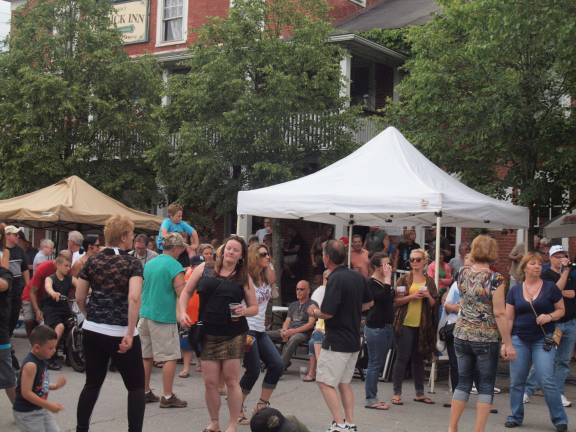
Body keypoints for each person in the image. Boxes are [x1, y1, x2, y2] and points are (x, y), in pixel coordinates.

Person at [179, 235, 258, 432]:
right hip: (207, 333)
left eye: (235, 250)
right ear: (222, 250)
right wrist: (181, 312)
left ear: (241, 256)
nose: (230, 252)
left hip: (233, 334)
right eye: (228, 248)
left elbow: (254, 307)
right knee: (210, 382)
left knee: (231, 381)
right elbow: (186, 292)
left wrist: (244, 311)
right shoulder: (204, 269)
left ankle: (232, 424)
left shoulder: (243, 276)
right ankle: (214, 422)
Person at [75, 215, 145, 432]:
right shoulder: (132, 262)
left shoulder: (92, 260)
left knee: (92, 383)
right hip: (121, 330)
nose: (132, 238)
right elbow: (134, 298)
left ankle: (81, 428)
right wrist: (131, 331)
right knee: (135, 388)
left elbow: (79, 296)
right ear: (124, 236)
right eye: (131, 234)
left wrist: (90, 316)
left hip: (93, 329)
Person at [449, 235, 516, 432]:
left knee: (463, 382)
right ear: (493, 252)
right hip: (486, 337)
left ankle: (452, 428)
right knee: (486, 385)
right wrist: (508, 343)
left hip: (461, 333)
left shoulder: (461, 272)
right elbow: (499, 313)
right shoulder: (496, 279)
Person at [307, 240, 373, 432]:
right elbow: (369, 304)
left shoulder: (335, 279)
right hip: (354, 339)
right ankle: (350, 423)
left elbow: (327, 313)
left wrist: (313, 311)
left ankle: (339, 423)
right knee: (344, 383)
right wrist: (351, 309)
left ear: (326, 258)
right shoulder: (358, 276)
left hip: (337, 340)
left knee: (325, 382)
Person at [504, 251, 567, 431]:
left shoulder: (550, 287)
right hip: (519, 338)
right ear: (524, 268)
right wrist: (506, 343)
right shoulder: (514, 290)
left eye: (539, 263)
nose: (537, 266)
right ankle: (515, 416)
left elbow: (561, 310)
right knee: (517, 380)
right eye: (532, 263)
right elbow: (508, 319)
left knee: (546, 379)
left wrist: (549, 316)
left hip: (543, 339)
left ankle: (559, 419)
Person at [139, 233, 187, 408]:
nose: (182, 250)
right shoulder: (175, 266)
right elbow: (182, 294)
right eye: (181, 247)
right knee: (170, 356)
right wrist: (183, 313)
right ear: (175, 248)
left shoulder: (150, 263)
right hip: (163, 317)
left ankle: (144, 392)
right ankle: (167, 396)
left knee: (146, 356)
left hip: (144, 314)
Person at [524, 245, 576, 407]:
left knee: (563, 362)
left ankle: (558, 393)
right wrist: (565, 274)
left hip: (571, 322)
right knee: (545, 359)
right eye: (558, 256)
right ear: (551, 258)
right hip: (554, 325)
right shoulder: (547, 274)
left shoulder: (572, 273)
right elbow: (553, 290)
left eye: (564, 255)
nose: (561, 258)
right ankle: (527, 390)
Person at [238, 244, 283, 424]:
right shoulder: (245, 277)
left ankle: (261, 405)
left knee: (277, 364)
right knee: (254, 369)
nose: (268, 257)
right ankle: (238, 406)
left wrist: (271, 277)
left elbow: (274, 294)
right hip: (247, 328)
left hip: (260, 330)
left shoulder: (265, 277)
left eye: (268, 254)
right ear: (254, 257)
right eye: (264, 254)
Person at [391, 248, 438, 406]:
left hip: (422, 325)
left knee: (418, 359)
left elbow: (434, 304)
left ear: (425, 261)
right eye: (412, 260)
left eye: (418, 259)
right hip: (405, 323)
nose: (415, 262)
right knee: (402, 358)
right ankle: (397, 393)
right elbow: (397, 301)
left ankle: (419, 393)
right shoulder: (404, 279)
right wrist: (412, 296)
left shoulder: (429, 281)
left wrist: (428, 296)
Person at [12, 325, 66, 432]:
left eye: (55, 347)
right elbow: (26, 393)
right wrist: (49, 405)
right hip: (27, 414)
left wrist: (55, 386)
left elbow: (38, 384)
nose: (54, 351)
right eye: (50, 348)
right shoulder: (31, 365)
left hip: (40, 409)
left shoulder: (42, 358)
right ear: (37, 348)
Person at [364, 252, 394, 410]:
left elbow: (389, 299)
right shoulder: (371, 283)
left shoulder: (384, 281)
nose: (388, 267)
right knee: (374, 363)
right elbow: (380, 298)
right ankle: (370, 399)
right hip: (376, 327)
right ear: (376, 266)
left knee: (378, 362)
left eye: (389, 263)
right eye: (385, 264)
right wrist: (388, 280)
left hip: (387, 325)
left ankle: (373, 396)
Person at [268, 280, 316, 369]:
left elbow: (310, 325)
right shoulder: (293, 304)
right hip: (289, 330)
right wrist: (284, 330)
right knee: (263, 335)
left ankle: (279, 367)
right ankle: (280, 359)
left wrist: (292, 331)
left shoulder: (312, 304)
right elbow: (287, 320)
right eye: (297, 289)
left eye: (302, 289)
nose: (298, 291)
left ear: (308, 291)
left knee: (294, 338)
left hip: (303, 333)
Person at [43, 255, 76, 370]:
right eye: (66, 266)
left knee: (74, 324)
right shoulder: (50, 278)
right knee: (60, 327)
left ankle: (70, 355)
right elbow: (48, 287)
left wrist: (91, 291)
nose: (68, 268)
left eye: (69, 266)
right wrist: (53, 293)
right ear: (57, 265)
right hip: (52, 309)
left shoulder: (70, 278)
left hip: (64, 308)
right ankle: (49, 357)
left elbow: (81, 287)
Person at [6, 225, 30, 370]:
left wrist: (27, 287)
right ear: (7, 235)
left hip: (17, 291)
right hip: (5, 293)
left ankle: (7, 341)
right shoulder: (2, 251)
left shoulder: (20, 251)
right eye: (15, 235)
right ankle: (6, 346)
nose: (17, 237)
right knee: (5, 317)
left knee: (13, 318)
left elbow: (25, 270)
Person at [302, 269, 330, 383]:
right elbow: (313, 311)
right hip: (322, 324)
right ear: (324, 278)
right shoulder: (320, 291)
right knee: (314, 339)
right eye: (328, 278)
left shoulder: (335, 290)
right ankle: (317, 371)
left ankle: (314, 372)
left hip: (332, 327)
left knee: (313, 341)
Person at [0, 237, 14, 405]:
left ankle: (21, 410)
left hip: (0, 336)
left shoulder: (5, 274)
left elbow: (3, 284)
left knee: (8, 377)